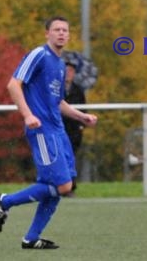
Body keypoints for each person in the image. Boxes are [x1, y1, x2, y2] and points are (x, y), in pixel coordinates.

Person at [0, 16, 98, 250]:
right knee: (63, 186)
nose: (61, 33)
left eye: (65, 30)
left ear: (69, 35)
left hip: (58, 132)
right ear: (47, 33)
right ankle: (5, 201)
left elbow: (58, 101)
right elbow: (13, 84)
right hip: (41, 131)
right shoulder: (38, 55)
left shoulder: (61, 65)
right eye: (56, 29)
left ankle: (31, 238)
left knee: (60, 185)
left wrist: (81, 116)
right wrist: (28, 115)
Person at [62, 61, 87, 194]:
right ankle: (60, 186)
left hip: (73, 130)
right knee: (60, 157)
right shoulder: (56, 88)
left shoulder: (78, 90)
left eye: (71, 71)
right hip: (59, 128)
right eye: (66, 71)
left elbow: (84, 108)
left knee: (70, 158)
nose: (68, 74)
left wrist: (82, 125)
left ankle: (70, 186)